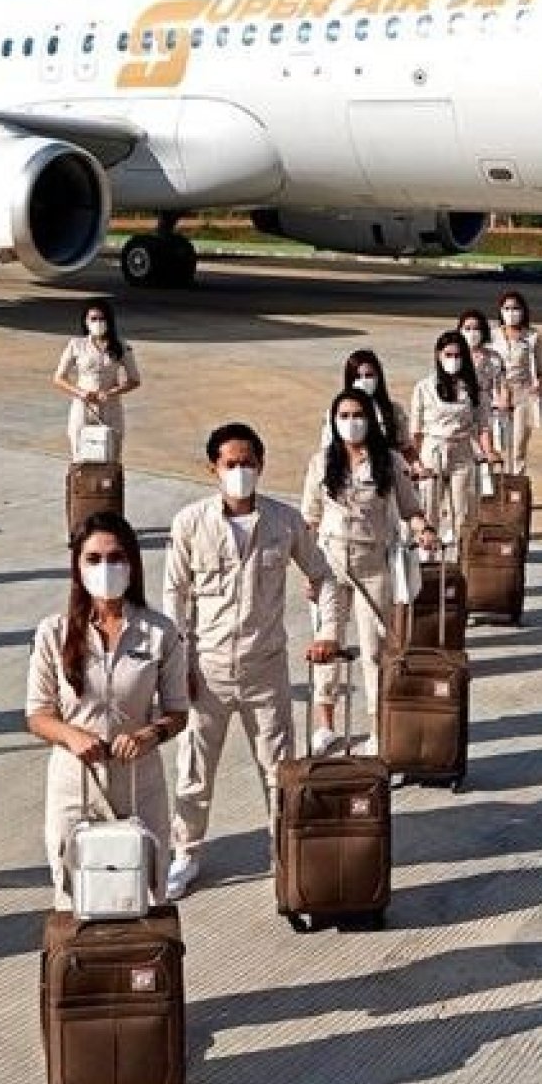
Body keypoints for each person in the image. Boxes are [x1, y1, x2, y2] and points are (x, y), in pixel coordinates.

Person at [161, 422, 346, 901]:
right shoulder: (190, 523)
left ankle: (282, 846)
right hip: (206, 669)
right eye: (230, 464)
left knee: (278, 768)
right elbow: (174, 596)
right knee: (194, 769)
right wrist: (175, 664)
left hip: (265, 668)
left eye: (247, 463)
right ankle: (186, 853)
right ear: (213, 469)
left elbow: (325, 576)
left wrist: (328, 632)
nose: (239, 471)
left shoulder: (284, 522)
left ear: (261, 465)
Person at [26, 511, 190, 911]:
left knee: (145, 895)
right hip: (75, 784)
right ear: (78, 567)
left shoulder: (160, 632)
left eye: (116, 557)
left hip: (139, 783)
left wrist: (150, 734)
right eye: (94, 559)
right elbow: (38, 714)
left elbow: (178, 712)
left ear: (132, 564)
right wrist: (72, 736)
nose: (106, 567)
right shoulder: (54, 632)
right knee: (75, 898)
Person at [300, 389, 437, 756]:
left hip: (373, 564)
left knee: (375, 649)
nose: (351, 422)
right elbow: (309, 520)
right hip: (329, 564)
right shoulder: (321, 463)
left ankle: (378, 727)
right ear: (333, 421)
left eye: (357, 415)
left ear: (370, 420)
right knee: (327, 642)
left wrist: (424, 529)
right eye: (343, 416)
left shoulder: (388, 461)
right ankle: (325, 724)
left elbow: (410, 508)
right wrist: (308, 573)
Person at [410, 331, 498, 545]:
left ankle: (462, 554)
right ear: (438, 355)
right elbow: (416, 430)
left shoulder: (473, 388)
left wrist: (489, 451)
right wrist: (414, 463)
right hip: (433, 450)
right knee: (429, 507)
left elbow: (483, 424)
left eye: (458, 355)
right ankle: (428, 556)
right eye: (448, 355)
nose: (453, 360)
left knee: (463, 510)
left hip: (462, 450)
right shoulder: (424, 387)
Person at [53, 299, 141, 460]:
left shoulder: (121, 346)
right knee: (80, 455)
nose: (98, 323)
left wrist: (111, 392)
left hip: (110, 407)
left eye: (102, 319)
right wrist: (80, 392)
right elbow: (59, 378)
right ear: (86, 321)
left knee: (111, 456)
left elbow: (134, 380)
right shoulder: (76, 345)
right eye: (93, 319)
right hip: (83, 407)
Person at [317, 350, 419, 472]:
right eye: (358, 377)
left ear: (378, 377)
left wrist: (418, 467)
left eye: (369, 375)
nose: (363, 380)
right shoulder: (338, 412)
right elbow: (327, 450)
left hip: (387, 474)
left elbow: (406, 448)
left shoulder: (394, 411)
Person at [491, 290, 542, 475]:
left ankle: (517, 484)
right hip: (498, 395)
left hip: (523, 395)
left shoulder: (532, 337)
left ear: (523, 311)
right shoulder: (492, 336)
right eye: (507, 308)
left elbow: (539, 370)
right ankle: (498, 486)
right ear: (501, 311)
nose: (511, 312)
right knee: (499, 445)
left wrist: (538, 385)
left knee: (518, 447)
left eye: (515, 308)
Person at [457, 308, 507, 453]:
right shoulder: (453, 355)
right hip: (460, 405)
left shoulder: (493, 357)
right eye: (467, 328)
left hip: (485, 406)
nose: (472, 333)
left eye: (476, 328)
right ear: (460, 330)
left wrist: (503, 401)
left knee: (486, 445)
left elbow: (502, 383)